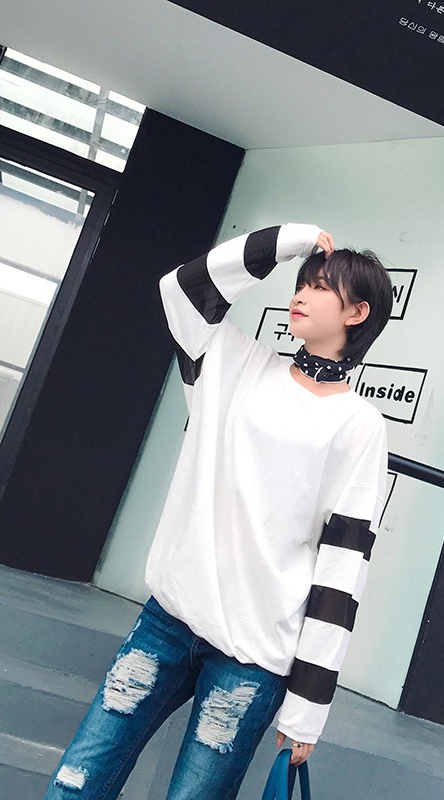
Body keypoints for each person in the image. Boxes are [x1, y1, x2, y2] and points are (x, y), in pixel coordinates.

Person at [44, 223, 392, 800]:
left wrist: (307, 707)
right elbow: (181, 289)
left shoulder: (360, 425)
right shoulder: (236, 364)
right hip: (169, 619)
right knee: (76, 783)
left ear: (357, 313)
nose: (300, 295)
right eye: (300, 283)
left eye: (319, 287)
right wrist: (288, 240)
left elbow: (343, 567)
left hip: (253, 658)